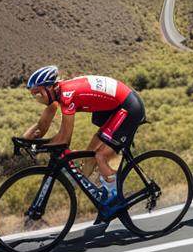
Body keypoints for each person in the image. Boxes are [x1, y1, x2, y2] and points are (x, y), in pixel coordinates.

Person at [22, 66, 145, 206]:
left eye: (38, 94)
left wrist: (39, 147)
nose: (38, 99)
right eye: (34, 96)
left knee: (100, 155)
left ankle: (116, 195)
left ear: (49, 87)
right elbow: (41, 126)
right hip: (115, 108)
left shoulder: (67, 95)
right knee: (89, 157)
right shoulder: (55, 95)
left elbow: (64, 139)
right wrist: (23, 143)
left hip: (128, 107)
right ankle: (94, 200)